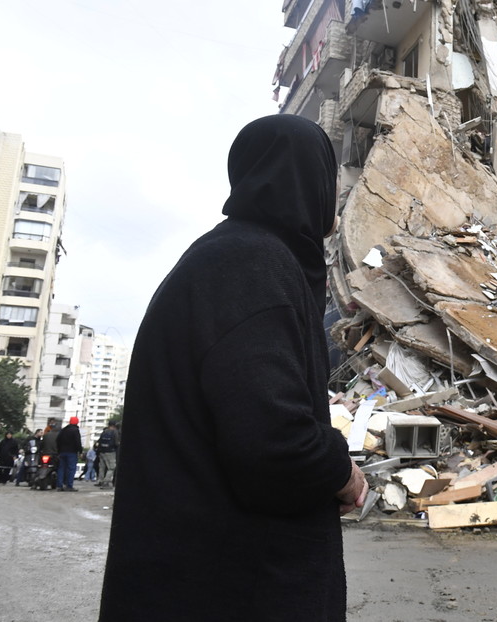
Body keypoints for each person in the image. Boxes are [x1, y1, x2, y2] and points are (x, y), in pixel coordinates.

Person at [99, 115, 367, 622]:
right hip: (229, 588)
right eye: (329, 176)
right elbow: (273, 444)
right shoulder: (252, 268)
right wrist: (343, 472)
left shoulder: (238, 259)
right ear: (309, 179)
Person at [56, 417, 83, 491]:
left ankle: (59, 485)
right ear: (77, 422)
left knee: (61, 468)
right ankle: (69, 485)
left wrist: (59, 451)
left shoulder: (64, 430)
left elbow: (58, 440)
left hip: (62, 452)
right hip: (72, 452)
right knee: (71, 469)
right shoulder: (75, 430)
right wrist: (80, 451)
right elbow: (78, 442)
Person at [96, 422, 119, 488]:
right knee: (112, 467)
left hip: (102, 452)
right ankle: (106, 482)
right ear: (114, 426)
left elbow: (99, 442)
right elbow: (116, 443)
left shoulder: (104, 432)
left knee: (102, 467)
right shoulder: (114, 432)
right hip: (110, 452)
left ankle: (100, 481)